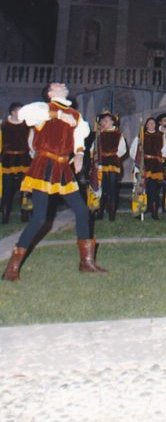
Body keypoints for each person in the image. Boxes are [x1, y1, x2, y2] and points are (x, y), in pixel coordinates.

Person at [2, 82, 105, 280]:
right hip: (44, 164)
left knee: (82, 211)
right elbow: (24, 114)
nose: (62, 84)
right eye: (57, 84)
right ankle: (12, 268)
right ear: (50, 93)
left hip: (63, 167)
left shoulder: (75, 115)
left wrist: (80, 154)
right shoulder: (44, 108)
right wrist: (57, 115)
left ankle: (86, 262)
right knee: (40, 218)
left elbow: (79, 137)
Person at [130, 117, 166, 220]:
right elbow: (133, 150)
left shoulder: (160, 136)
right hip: (144, 165)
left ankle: (154, 212)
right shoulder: (141, 136)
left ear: (155, 125)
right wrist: (138, 159)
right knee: (142, 189)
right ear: (146, 125)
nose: (151, 124)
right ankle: (143, 209)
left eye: (153, 123)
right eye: (149, 123)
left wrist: (164, 158)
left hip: (156, 166)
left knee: (154, 189)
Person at [93, 111, 127, 221]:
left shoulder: (118, 135)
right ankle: (100, 212)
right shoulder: (99, 135)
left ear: (112, 122)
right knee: (101, 188)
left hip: (112, 164)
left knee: (112, 188)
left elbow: (122, 150)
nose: (104, 122)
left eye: (106, 120)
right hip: (101, 164)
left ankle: (112, 213)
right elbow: (93, 149)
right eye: (103, 120)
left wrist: (114, 156)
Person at [1, 102, 31, 224]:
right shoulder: (4, 126)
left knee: (25, 188)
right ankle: (5, 215)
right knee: (7, 189)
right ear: (13, 112)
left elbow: (30, 141)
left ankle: (25, 214)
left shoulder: (27, 126)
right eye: (20, 111)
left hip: (24, 158)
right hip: (9, 159)